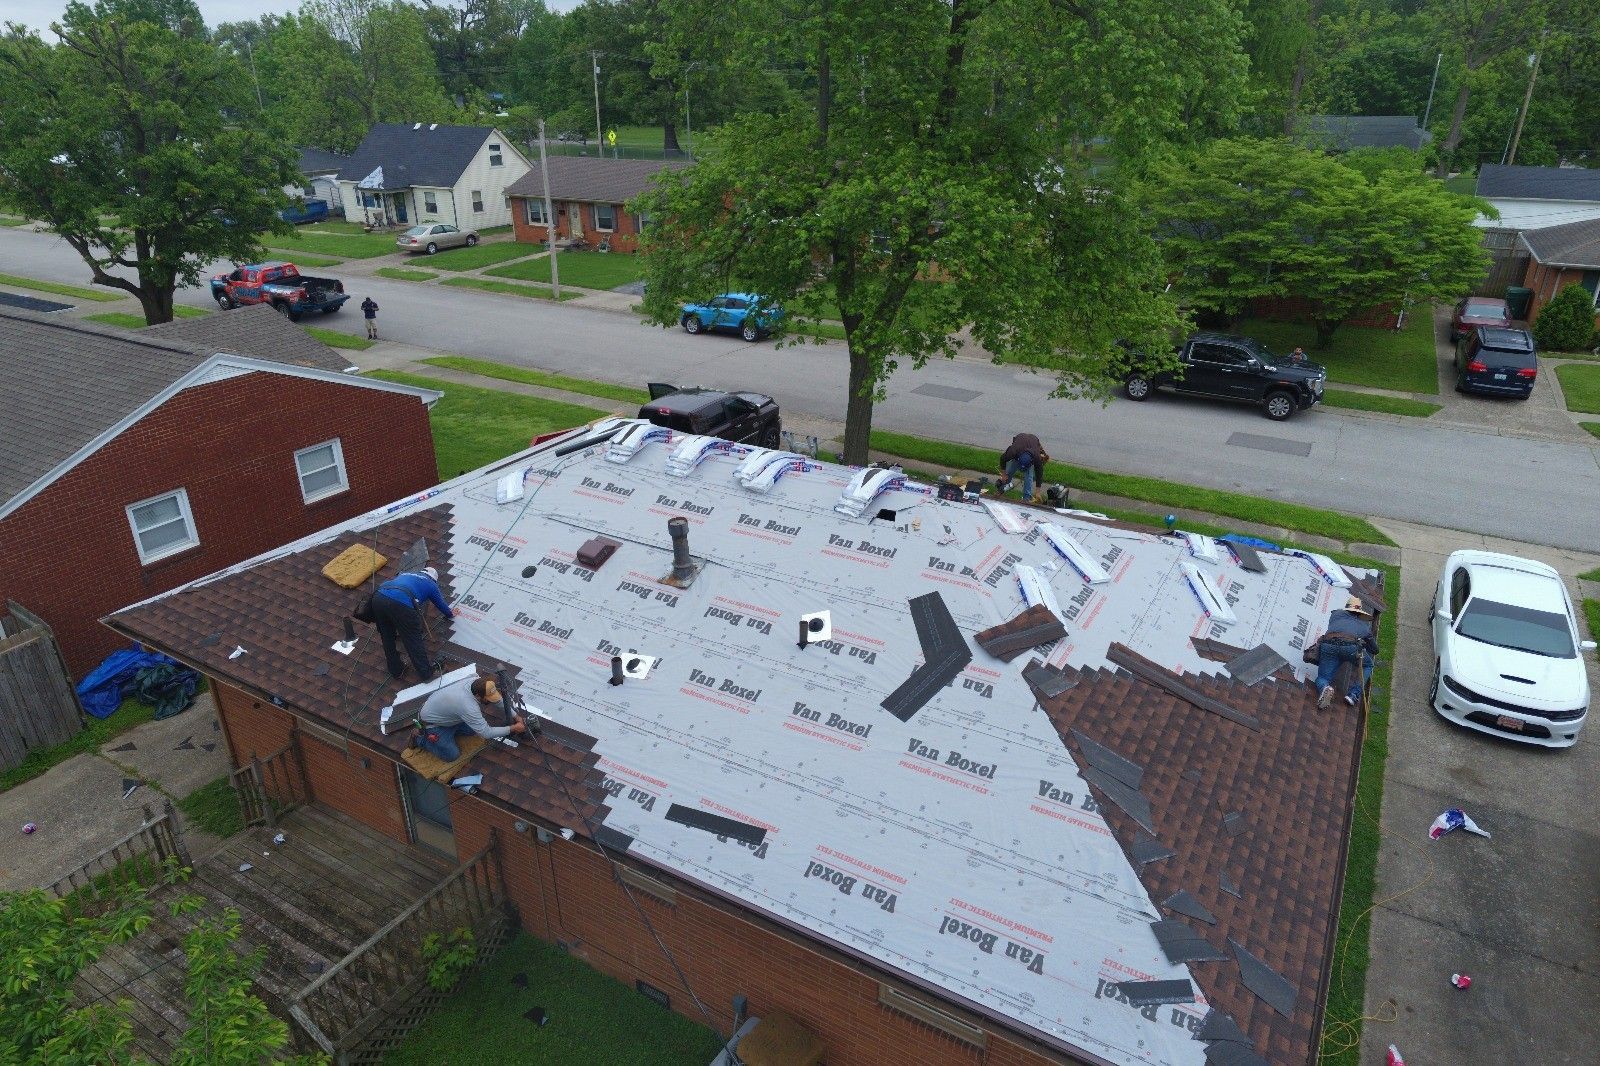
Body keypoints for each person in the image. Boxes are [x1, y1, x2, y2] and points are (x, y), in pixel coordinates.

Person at [369, 565, 453, 680]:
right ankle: (426, 673)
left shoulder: (405, 574)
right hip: (400, 603)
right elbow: (442, 606)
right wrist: (451, 614)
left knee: (387, 636)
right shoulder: (430, 583)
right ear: (434, 578)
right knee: (412, 639)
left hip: (378, 598)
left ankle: (396, 670)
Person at [415, 674, 526, 761]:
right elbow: (486, 733)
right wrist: (514, 728)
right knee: (451, 755)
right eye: (488, 699)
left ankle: (453, 731)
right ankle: (419, 739)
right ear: (478, 696)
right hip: (433, 724)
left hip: (449, 715)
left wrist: (515, 716)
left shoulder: (477, 681)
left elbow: (498, 700)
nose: (490, 701)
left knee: (473, 730)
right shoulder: (467, 706)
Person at [1315, 596, 1378, 709]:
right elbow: (1375, 650)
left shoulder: (1335, 615)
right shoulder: (1364, 627)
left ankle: (1325, 688)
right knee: (1368, 664)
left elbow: (1340, 629)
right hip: (1350, 649)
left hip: (1329, 645)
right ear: (1359, 613)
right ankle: (1353, 695)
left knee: (1322, 677)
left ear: (1346, 608)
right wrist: (1364, 642)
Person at [997, 432, 1049, 503]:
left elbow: (1039, 474)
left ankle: (1026, 499)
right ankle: (1001, 489)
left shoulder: (1036, 457)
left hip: (1033, 441)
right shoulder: (1013, 451)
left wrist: (1037, 492)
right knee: (1009, 471)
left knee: (1028, 476)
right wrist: (1003, 474)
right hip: (1020, 442)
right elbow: (1002, 459)